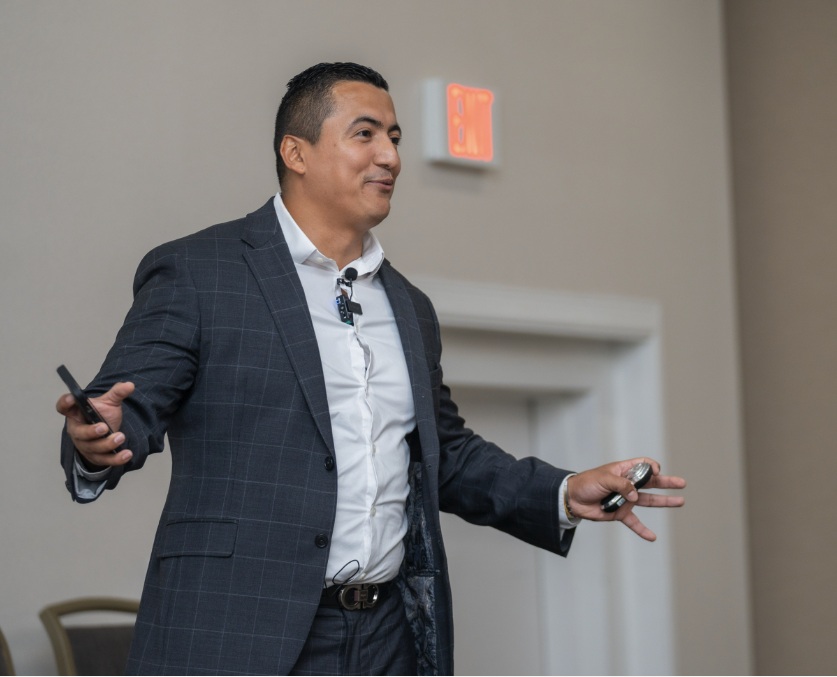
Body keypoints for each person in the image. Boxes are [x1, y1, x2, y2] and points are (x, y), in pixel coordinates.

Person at [56, 62, 686, 676]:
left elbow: (448, 454)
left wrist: (561, 491)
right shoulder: (200, 272)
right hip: (240, 633)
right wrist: (97, 439)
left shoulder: (408, 307)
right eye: (365, 134)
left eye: (395, 137)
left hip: (387, 637)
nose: (390, 156)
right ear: (296, 152)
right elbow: (122, 407)